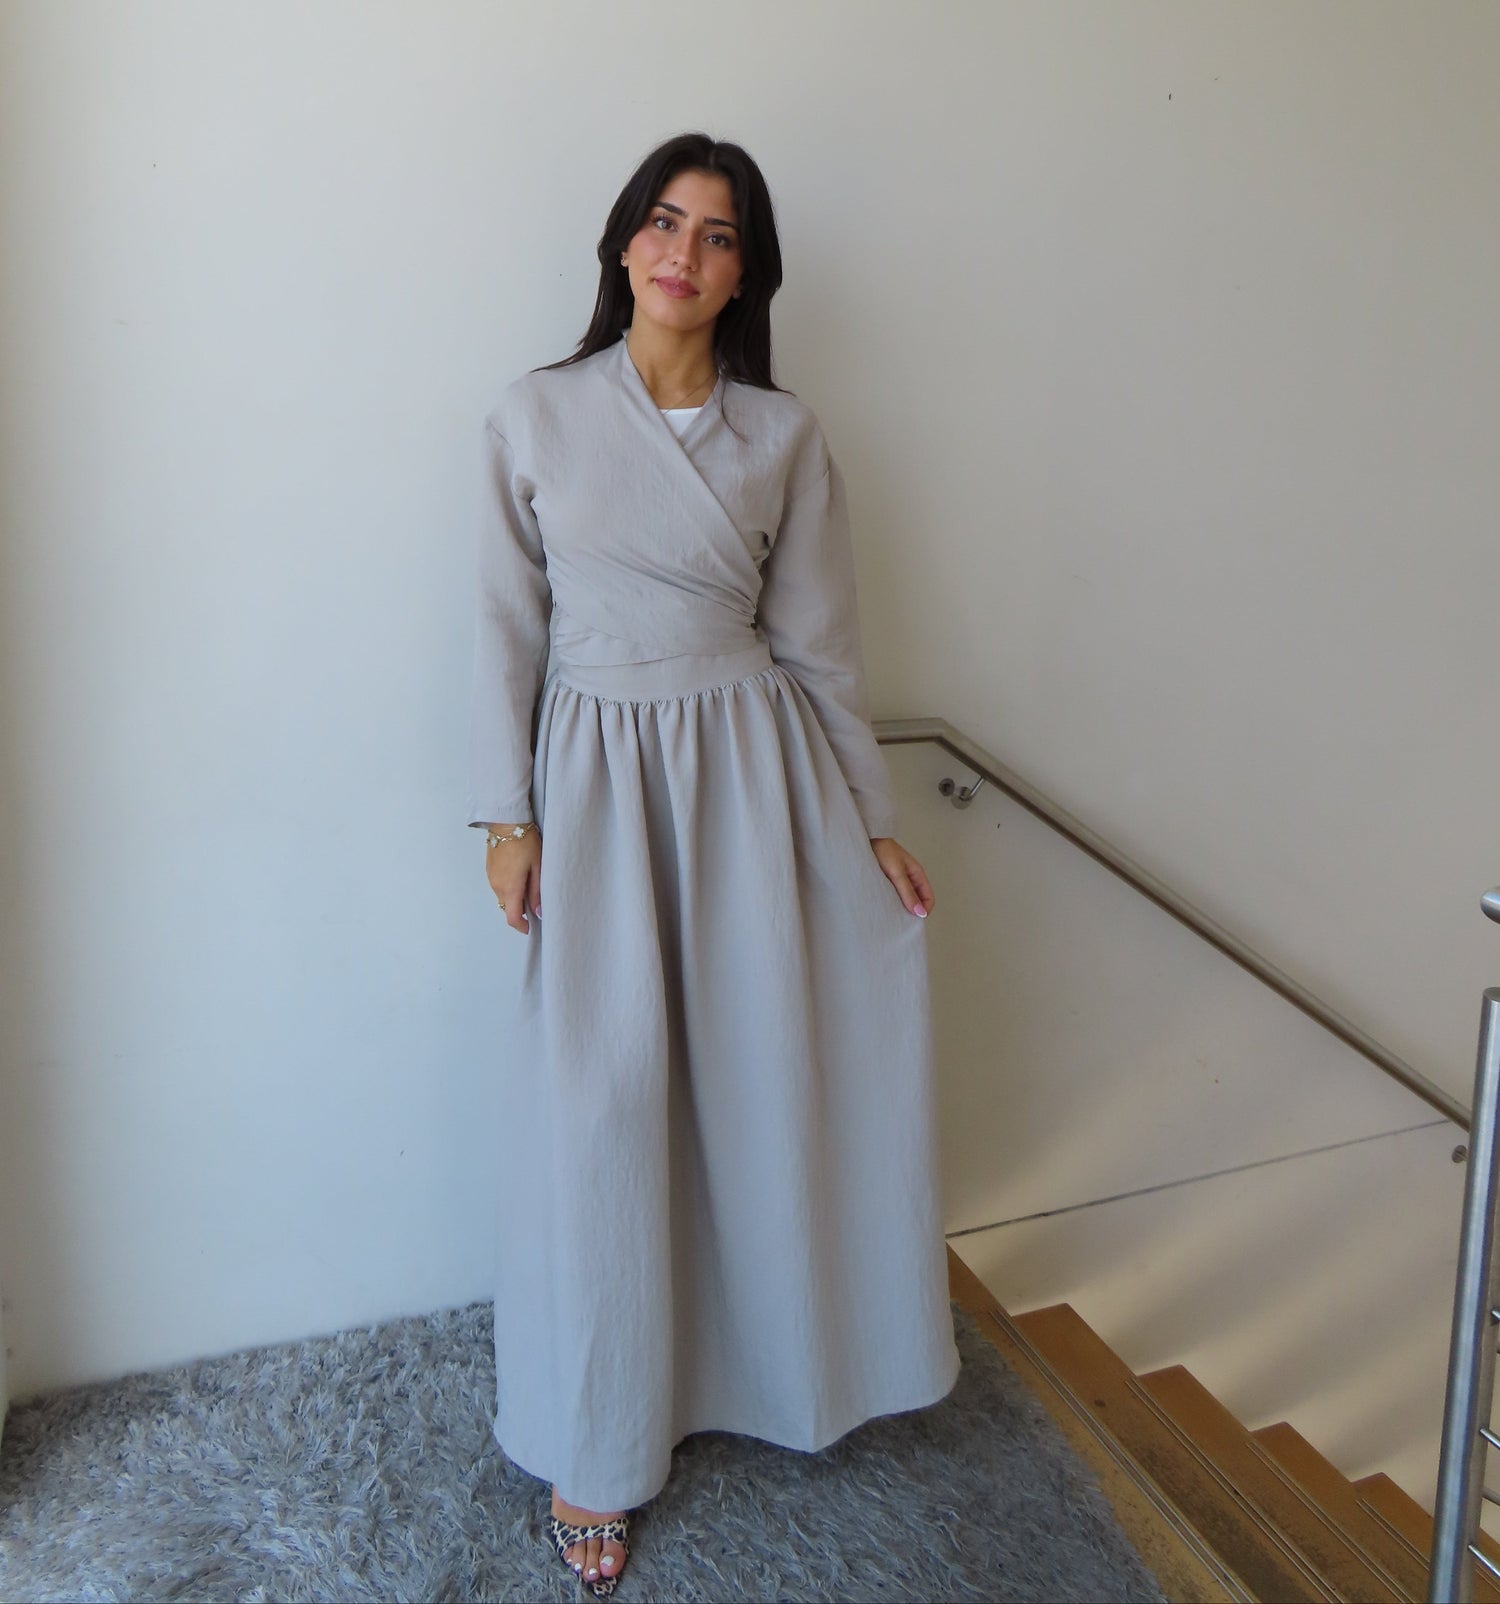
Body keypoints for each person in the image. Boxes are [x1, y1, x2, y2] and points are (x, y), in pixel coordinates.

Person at [466, 132, 961, 1597]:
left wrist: (870, 820)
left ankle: (772, 1374)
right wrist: (507, 817)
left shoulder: (783, 438)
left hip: (754, 777)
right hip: (597, 780)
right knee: (602, 1108)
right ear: (624, 243)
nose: (686, 252)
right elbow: (501, 628)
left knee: (756, 1084)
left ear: (748, 272)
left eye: (720, 234)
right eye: (665, 222)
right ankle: (596, 1439)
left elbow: (820, 648)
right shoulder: (534, 415)